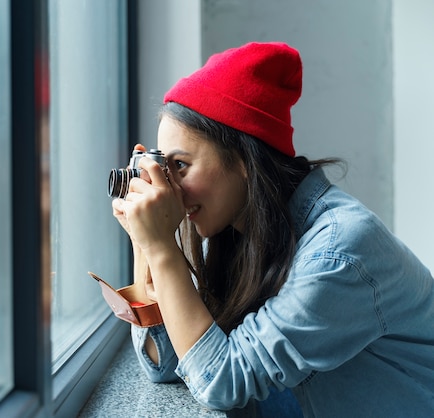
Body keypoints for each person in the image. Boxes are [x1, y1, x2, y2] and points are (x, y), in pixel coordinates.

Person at [111, 41, 434, 416]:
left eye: (180, 166)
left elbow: (221, 381)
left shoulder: (339, 252)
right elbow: (165, 364)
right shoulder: (239, 232)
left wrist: (161, 249)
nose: (170, 188)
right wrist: (144, 241)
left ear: (245, 160)